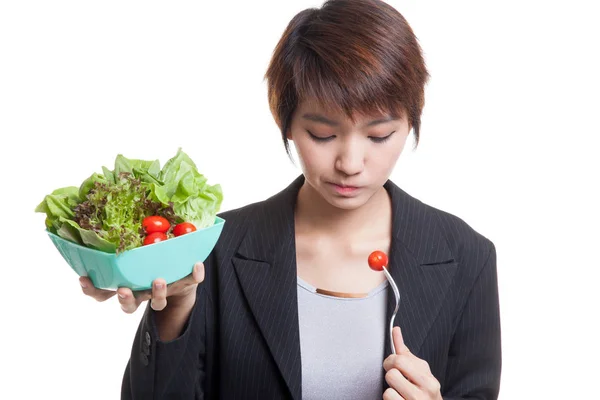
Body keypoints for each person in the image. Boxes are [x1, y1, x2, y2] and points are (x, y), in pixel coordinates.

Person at [79, 0, 502, 398]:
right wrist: (174, 310)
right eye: (322, 134)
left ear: (411, 120)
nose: (350, 162)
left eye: (379, 136)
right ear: (286, 121)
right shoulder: (212, 249)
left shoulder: (467, 257)